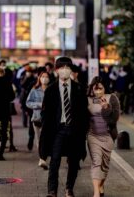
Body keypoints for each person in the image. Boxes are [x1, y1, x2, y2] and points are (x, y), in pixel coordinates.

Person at [40, 57, 88, 197]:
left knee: (73, 161)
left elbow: (84, 112)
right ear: (57, 70)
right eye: (62, 67)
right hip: (57, 131)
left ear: (71, 70)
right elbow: (45, 113)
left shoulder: (79, 88)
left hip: (74, 130)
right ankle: (52, 191)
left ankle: (69, 188)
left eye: (68, 67)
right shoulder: (51, 90)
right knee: (55, 161)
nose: (65, 69)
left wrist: (82, 130)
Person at [87, 76, 120, 197]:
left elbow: (114, 119)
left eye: (100, 88)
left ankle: (101, 185)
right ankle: (96, 193)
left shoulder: (112, 98)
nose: (98, 91)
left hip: (108, 136)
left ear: (105, 88)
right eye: (95, 89)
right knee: (97, 161)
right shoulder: (88, 100)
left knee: (105, 166)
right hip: (93, 135)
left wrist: (106, 108)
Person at [26, 71, 50, 170]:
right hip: (37, 118)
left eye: (46, 77)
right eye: (42, 77)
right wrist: (39, 105)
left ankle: (44, 157)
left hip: (49, 119)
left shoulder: (51, 89)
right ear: (39, 78)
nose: (44, 78)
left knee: (47, 139)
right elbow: (28, 103)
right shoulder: (34, 90)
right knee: (39, 139)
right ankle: (42, 158)